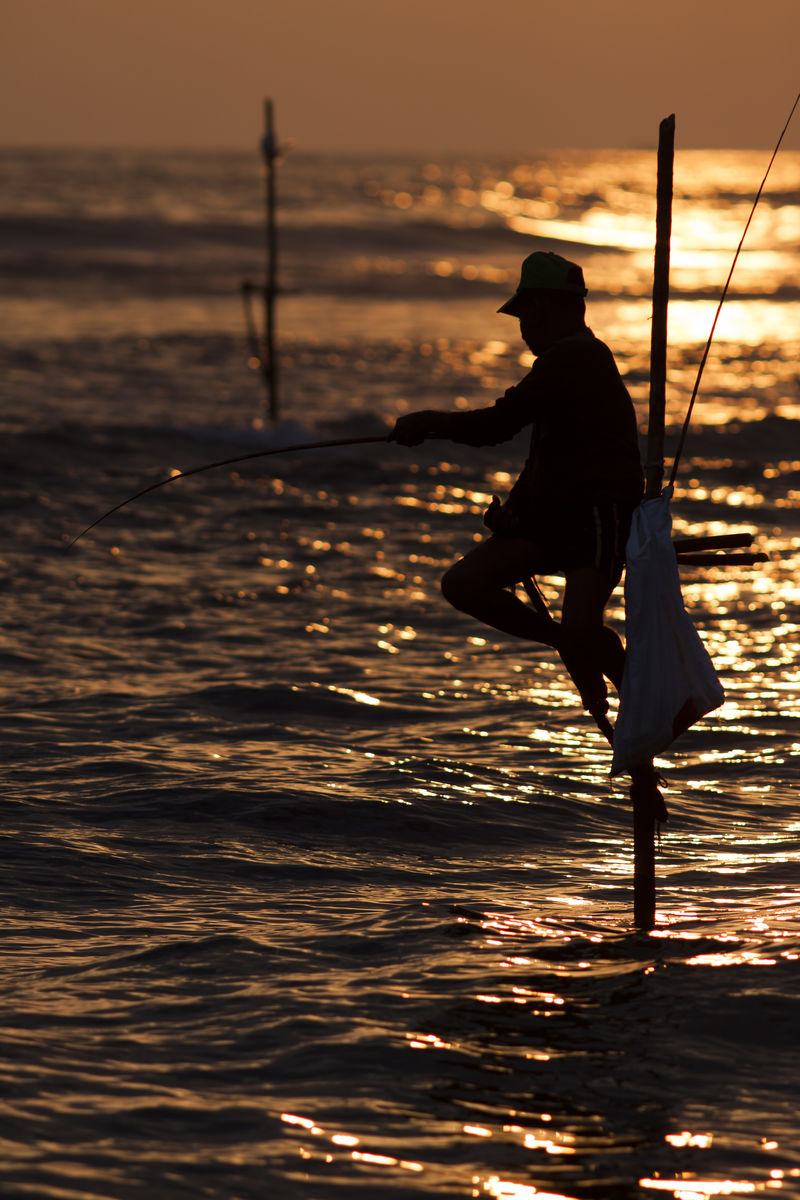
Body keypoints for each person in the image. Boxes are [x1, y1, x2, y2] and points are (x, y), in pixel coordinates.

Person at [390, 250, 665, 813]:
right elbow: (544, 457)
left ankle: (633, 712)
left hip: (599, 518)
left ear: (546, 308)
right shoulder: (566, 361)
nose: (522, 329)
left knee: (584, 626)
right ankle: (572, 644)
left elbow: (496, 425)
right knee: (464, 584)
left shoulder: (576, 358)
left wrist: (429, 423)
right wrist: (514, 513)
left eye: (524, 316)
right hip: (553, 519)